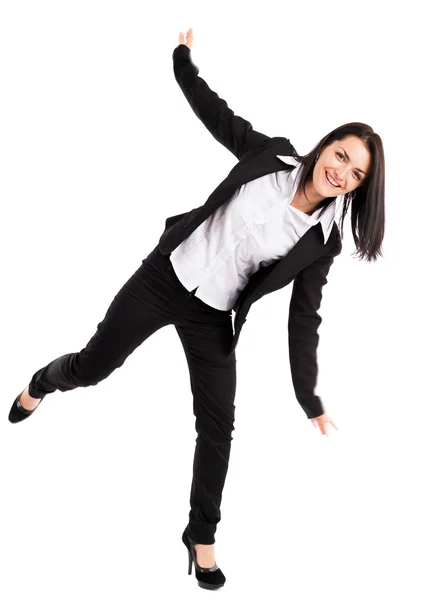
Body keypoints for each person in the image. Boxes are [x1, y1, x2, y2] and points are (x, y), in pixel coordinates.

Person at [8, 28, 385, 590]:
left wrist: (308, 397)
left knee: (218, 428)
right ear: (324, 145)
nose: (342, 174)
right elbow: (215, 113)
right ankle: (44, 379)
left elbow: (304, 319)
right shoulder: (268, 155)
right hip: (165, 276)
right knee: (93, 367)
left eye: (357, 174)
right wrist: (183, 61)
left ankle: (200, 535)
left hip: (215, 317)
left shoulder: (322, 241)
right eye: (341, 156)